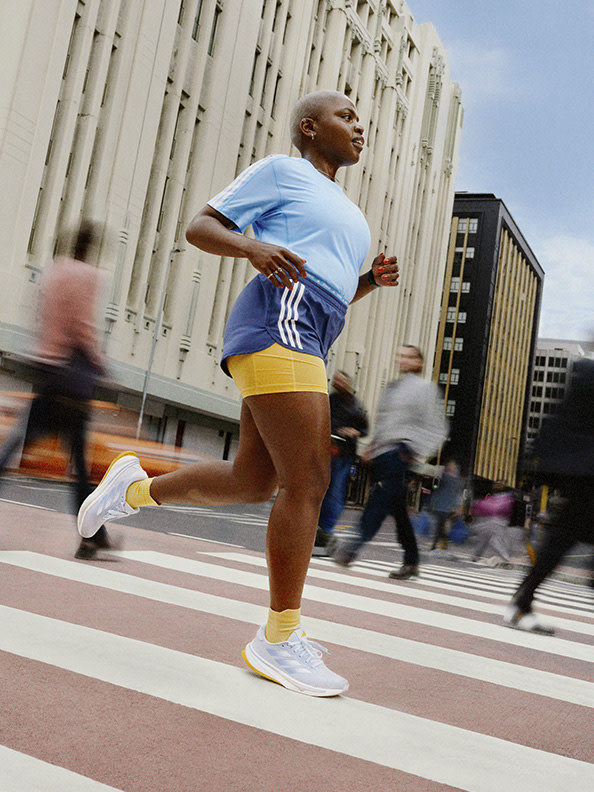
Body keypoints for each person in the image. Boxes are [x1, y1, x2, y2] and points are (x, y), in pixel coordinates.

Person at [76, 90, 400, 696]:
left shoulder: (342, 204)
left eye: (361, 119)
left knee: (256, 481)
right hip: (279, 324)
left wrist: (366, 283)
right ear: (310, 127)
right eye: (346, 116)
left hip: (309, 329)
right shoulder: (283, 170)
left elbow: (323, 287)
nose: (361, 126)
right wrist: (251, 245)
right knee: (307, 481)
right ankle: (278, 638)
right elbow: (203, 225)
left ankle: (130, 490)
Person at [0, 220, 110, 560]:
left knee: (16, 447)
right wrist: (99, 364)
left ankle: (97, 536)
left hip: (47, 372)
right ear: (90, 246)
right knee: (77, 462)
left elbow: (42, 319)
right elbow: (83, 327)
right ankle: (92, 537)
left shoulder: (53, 271)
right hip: (73, 380)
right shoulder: (88, 275)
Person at [332, 345, 447, 579]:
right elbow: (384, 421)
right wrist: (373, 446)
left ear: (419, 362)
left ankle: (353, 547)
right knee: (398, 510)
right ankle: (411, 561)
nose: (403, 359)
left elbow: (438, 428)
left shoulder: (426, 389)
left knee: (379, 499)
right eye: (400, 355)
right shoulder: (392, 388)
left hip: (401, 452)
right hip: (383, 453)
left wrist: (413, 449)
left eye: (409, 356)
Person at [504, 357, 594, 634]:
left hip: (582, 474)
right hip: (586, 475)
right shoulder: (587, 376)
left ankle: (522, 602)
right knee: (560, 540)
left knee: (561, 539)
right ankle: (521, 603)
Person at [314, 370, 368, 552]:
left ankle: (325, 529)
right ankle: (316, 527)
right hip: (327, 450)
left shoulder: (355, 406)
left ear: (348, 383)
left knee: (335, 491)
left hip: (344, 454)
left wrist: (354, 431)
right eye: (336, 379)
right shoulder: (330, 400)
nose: (338, 382)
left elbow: (365, 429)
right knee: (320, 488)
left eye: (342, 380)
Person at [470, 482, 514, 563]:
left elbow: (482, 508)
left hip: (488, 521)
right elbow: (507, 512)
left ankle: (476, 556)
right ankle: (505, 556)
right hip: (500, 521)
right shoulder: (507, 499)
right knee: (493, 540)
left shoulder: (492, 499)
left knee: (484, 539)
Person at [429, 460, 464, 550]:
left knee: (439, 525)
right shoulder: (458, 481)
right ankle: (442, 543)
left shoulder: (444, 477)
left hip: (440, 506)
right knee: (441, 525)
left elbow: (437, 488)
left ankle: (436, 544)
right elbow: (457, 495)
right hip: (448, 507)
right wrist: (457, 506)